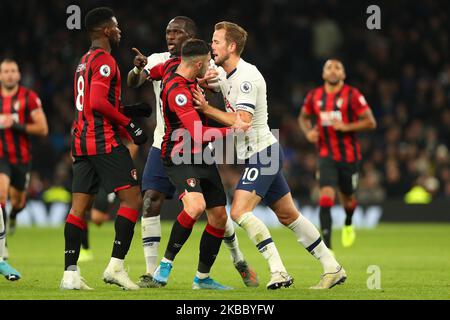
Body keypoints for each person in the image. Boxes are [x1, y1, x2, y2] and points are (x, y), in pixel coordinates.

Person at [193, 21, 346, 289]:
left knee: (239, 211)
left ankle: (278, 271)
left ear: (231, 46)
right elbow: (214, 79)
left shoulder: (247, 78)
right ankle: (332, 267)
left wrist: (207, 109)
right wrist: (204, 82)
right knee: (289, 216)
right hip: (261, 153)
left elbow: (242, 120)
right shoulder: (226, 72)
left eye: (216, 41)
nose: (211, 46)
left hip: (262, 153)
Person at [127, 16, 258, 288]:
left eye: (177, 32)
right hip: (178, 153)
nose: (171, 36)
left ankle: (203, 277)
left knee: (219, 216)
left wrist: (211, 91)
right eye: (207, 63)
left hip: (200, 153)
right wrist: (232, 129)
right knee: (188, 205)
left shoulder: (183, 70)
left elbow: (164, 73)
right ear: (198, 63)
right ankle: (161, 268)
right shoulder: (177, 89)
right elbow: (197, 132)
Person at [60, 7, 150, 291]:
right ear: (106, 31)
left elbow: (92, 103)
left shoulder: (83, 61)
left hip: (82, 143)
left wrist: (129, 110)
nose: (120, 30)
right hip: (104, 141)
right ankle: (116, 267)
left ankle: (70, 274)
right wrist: (129, 125)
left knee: (78, 209)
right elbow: (98, 103)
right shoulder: (106, 61)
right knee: (132, 200)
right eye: (116, 26)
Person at [298, 59, 376, 249]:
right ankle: (328, 250)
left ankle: (348, 222)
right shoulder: (314, 96)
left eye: (338, 68)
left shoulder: (353, 95)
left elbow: (371, 122)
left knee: (348, 200)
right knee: (325, 196)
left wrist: (347, 126)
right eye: (329, 68)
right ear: (324, 74)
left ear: (343, 74)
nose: (333, 71)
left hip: (349, 157)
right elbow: (303, 117)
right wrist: (308, 132)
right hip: (326, 155)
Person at [0, 58, 49, 258]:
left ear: (19, 75)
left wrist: (14, 124)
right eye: (5, 71)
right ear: (1, 75)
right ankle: (3, 246)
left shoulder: (29, 98)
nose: (10, 74)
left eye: (13, 70)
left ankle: (12, 216)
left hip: (21, 159)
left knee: (18, 202)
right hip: (1, 157)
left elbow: (43, 129)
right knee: (1, 196)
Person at [79, 140, 139, 263]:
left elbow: (133, 143)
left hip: (110, 174)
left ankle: (120, 227)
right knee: (81, 208)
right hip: (91, 171)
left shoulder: (114, 124)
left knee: (97, 218)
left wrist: (122, 166)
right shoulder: (81, 126)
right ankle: (85, 249)